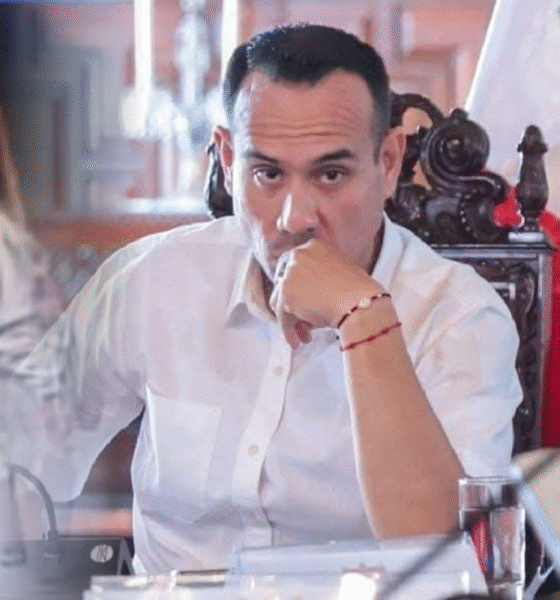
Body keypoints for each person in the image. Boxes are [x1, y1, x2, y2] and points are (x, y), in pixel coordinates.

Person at [5, 24, 521, 574]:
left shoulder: (459, 315)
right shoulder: (154, 278)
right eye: (267, 173)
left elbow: (449, 558)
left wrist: (362, 317)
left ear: (388, 162)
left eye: (331, 174)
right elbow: (24, 457)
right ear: (228, 159)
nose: (295, 218)